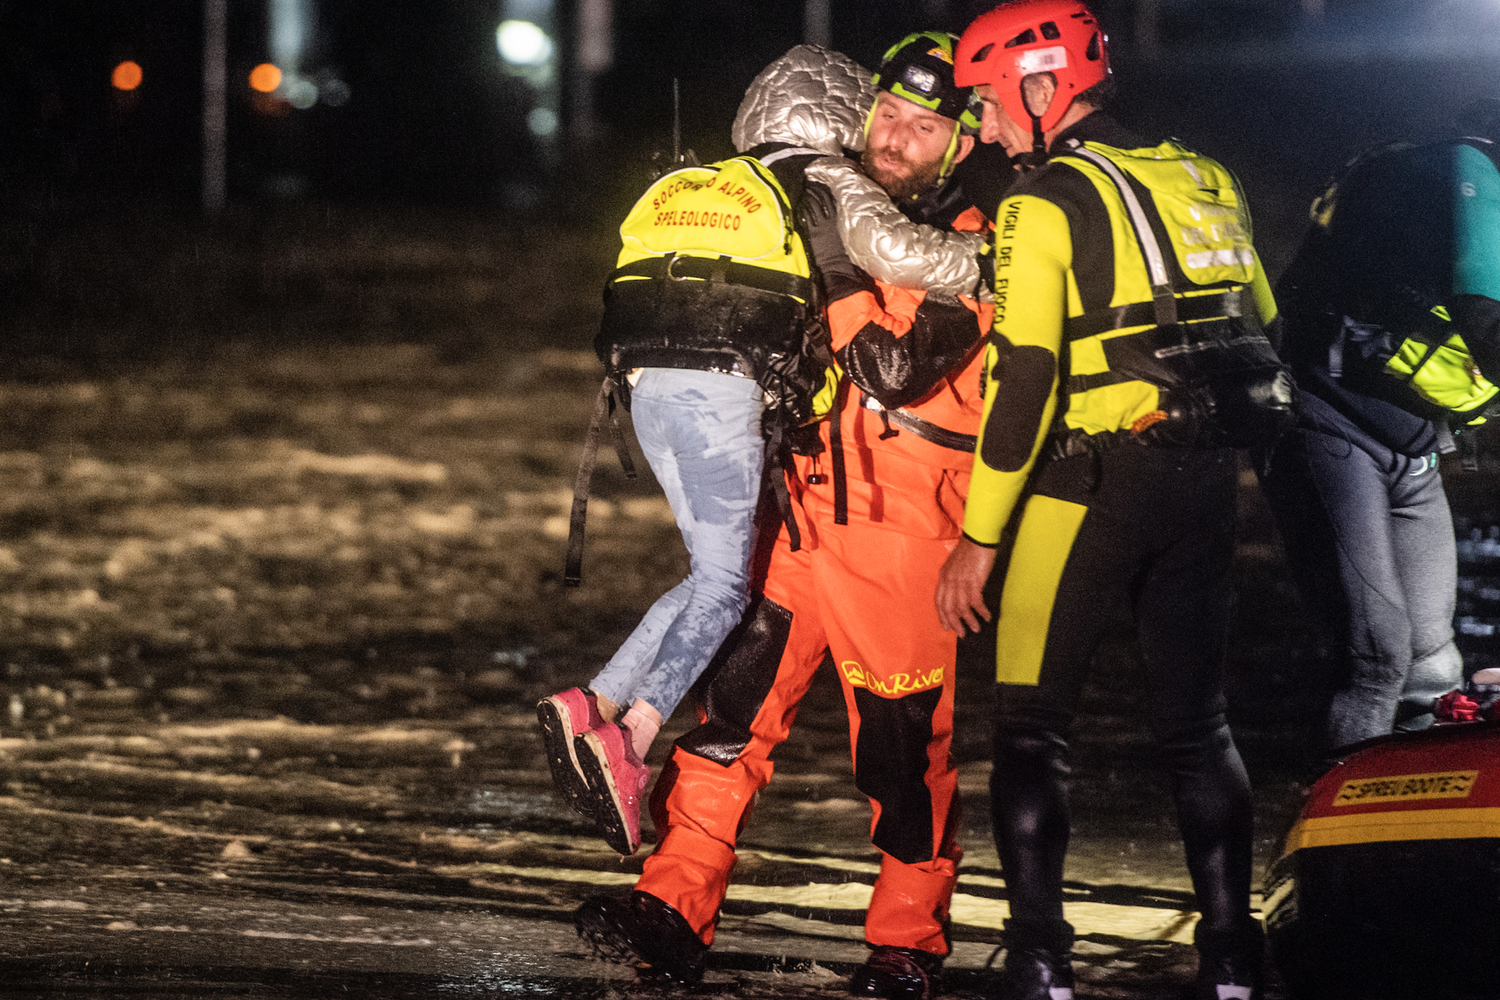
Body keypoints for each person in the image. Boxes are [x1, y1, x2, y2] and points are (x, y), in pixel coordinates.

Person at [573, 35, 993, 1000]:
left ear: (960, 141)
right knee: (728, 721)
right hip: (795, 510)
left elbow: (896, 365)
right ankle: (670, 906)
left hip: (904, 536)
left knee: (901, 753)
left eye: (925, 126)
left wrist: (837, 256)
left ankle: (905, 943)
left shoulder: (977, 238)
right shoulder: (831, 205)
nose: (895, 136)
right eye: (886, 112)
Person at [936, 3, 1291, 999]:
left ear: (1042, 88)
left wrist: (977, 538)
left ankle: (1042, 961)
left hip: (1087, 482)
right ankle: (1231, 959)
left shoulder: (1041, 204)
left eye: (990, 105)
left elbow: (1026, 380)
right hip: (1206, 479)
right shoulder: (1206, 177)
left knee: (1030, 727)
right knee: (1198, 725)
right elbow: (1265, 325)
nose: (988, 131)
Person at [533, 48, 858, 856]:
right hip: (720, 396)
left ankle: (592, 705)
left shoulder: (702, 187)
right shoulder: (812, 193)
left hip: (644, 390)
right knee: (722, 586)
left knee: (711, 573)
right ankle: (631, 738)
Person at [1260, 98, 1500, 756]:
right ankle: (1333, 850)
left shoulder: (1429, 163)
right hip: (1333, 426)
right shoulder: (1465, 170)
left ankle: (1414, 841)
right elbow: (1484, 322)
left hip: (1410, 440)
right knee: (1377, 662)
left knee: (1434, 665)